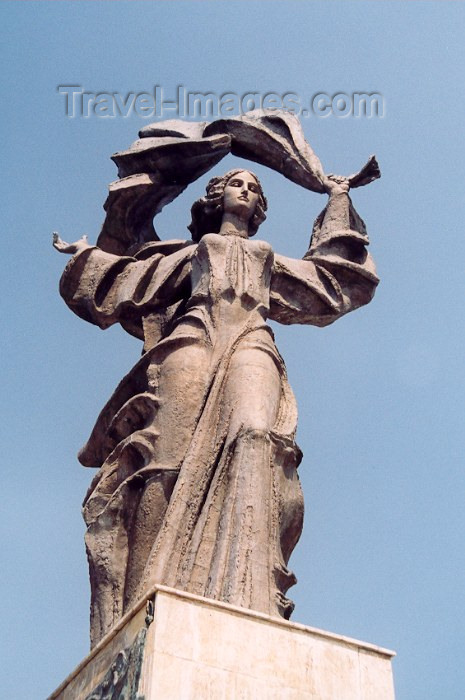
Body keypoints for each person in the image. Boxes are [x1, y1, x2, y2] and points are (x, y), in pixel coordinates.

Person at [54, 168, 378, 648]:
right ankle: (146, 596)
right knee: (165, 460)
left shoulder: (265, 256)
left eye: (254, 188)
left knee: (254, 437)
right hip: (193, 339)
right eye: (237, 183)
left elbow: (331, 281)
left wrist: (337, 197)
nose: (246, 190)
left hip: (252, 338)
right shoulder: (191, 253)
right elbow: (128, 278)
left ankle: (249, 593)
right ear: (215, 196)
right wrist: (86, 258)